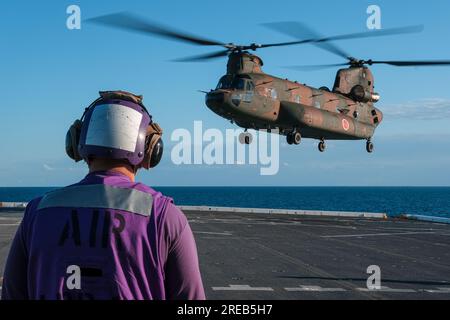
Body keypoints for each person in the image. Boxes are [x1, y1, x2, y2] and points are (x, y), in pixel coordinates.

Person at [1, 91, 205, 300]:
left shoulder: (38, 212)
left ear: (76, 144)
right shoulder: (165, 217)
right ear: (151, 149)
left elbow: (12, 293)